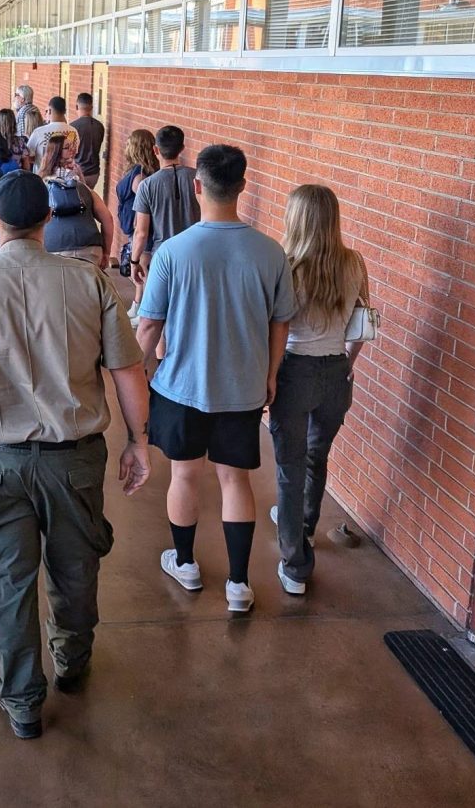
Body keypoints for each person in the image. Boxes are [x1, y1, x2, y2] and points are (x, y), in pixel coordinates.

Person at [0, 170, 152, 739]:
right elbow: (128, 370)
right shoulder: (88, 282)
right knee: (75, 568)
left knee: (7, 583)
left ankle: (22, 702)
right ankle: (71, 663)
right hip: (74, 459)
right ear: (47, 220)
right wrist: (139, 443)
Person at [136, 145, 296, 614]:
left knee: (184, 475)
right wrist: (269, 376)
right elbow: (280, 323)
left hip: (181, 387)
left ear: (198, 186)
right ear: (242, 186)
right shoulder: (271, 253)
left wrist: (134, 376)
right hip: (242, 388)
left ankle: (185, 564)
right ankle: (240, 584)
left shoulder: (172, 252)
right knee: (235, 481)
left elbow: (149, 327)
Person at [269, 185, 370, 595]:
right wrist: (347, 362)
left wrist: (270, 376)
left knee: (289, 469)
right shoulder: (355, 262)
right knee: (316, 456)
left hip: (294, 370)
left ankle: (295, 567)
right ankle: (306, 527)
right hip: (336, 373)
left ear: (296, 219)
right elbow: (363, 324)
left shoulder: (287, 264)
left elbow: (276, 328)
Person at [129, 125, 200, 313]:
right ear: (182, 148)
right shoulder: (198, 179)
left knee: (159, 316)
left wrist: (134, 262)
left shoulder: (147, 185)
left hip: (163, 256)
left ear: (156, 150)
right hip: (195, 255)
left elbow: (141, 232)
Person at [40, 138, 114, 269]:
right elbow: (107, 219)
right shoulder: (79, 184)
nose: (72, 150)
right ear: (56, 151)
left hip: (53, 247)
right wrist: (107, 252)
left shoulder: (41, 186)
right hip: (89, 247)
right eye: (67, 147)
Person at [115, 129, 160, 316]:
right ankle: (138, 306)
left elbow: (143, 201)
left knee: (144, 269)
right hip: (139, 229)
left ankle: (146, 313)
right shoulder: (144, 172)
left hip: (141, 229)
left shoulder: (140, 176)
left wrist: (136, 222)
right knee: (142, 270)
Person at [26, 96, 80, 170]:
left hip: (43, 178)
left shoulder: (39, 132)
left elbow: (28, 155)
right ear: (65, 111)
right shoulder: (74, 131)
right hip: (67, 177)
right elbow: (74, 153)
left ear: (50, 110)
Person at [70, 92, 105, 188]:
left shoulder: (72, 127)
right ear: (91, 107)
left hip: (77, 171)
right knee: (89, 198)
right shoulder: (99, 126)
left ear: (77, 107)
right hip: (94, 173)